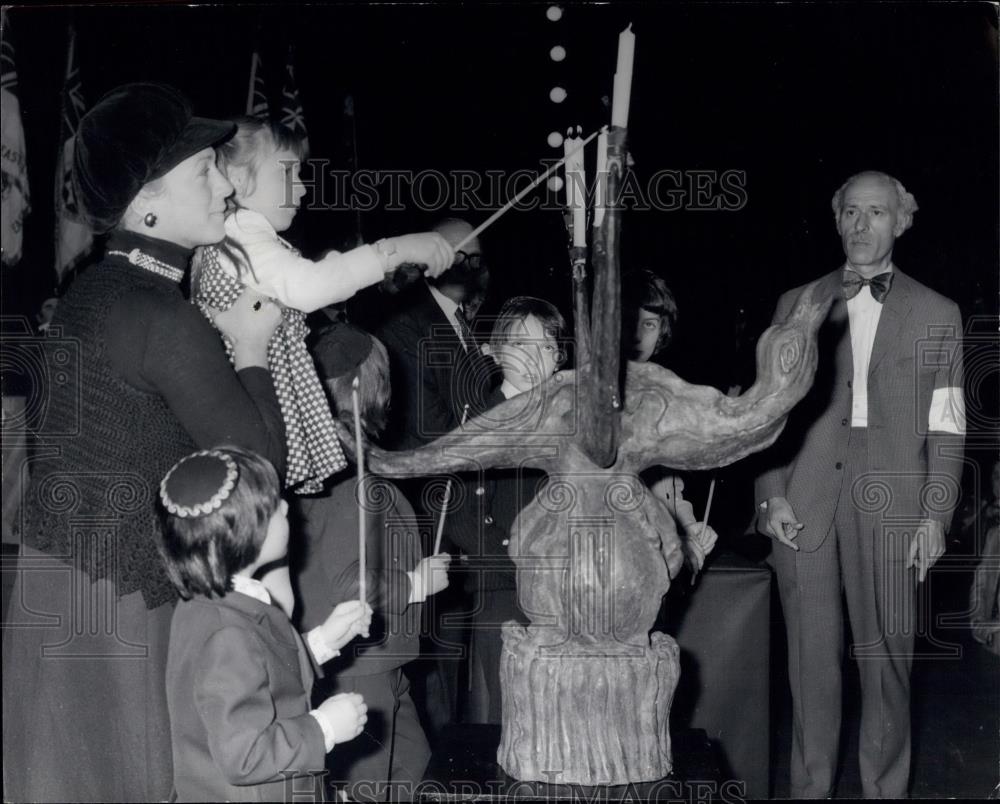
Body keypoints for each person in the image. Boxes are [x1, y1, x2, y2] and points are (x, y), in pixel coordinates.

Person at [2, 83, 286, 802]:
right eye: (206, 171)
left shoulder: (91, 293)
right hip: (121, 608)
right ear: (146, 202)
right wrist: (252, 349)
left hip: (61, 588)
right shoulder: (157, 311)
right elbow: (260, 469)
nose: (227, 183)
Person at [754, 170, 966, 798]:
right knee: (810, 669)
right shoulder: (798, 303)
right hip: (807, 494)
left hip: (898, 502)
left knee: (887, 668)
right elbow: (767, 411)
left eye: (875, 212)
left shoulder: (938, 312)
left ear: (901, 221)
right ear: (837, 219)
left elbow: (948, 426)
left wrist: (936, 515)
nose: (859, 225)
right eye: (850, 212)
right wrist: (770, 494)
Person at [193, 117, 455, 493]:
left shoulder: (240, 235)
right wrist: (396, 249)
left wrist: (332, 267)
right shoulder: (243, 230)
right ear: (236, 177)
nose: (301, 188)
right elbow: (306, 287)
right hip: (249, 411)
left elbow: (293, 281)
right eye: (289, 173)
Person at [158, 447, 372, 802]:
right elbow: (243, 756)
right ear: (240, 535)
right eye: (273, 505)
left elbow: (260, 672)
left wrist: (319, 643)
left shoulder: (209, 604)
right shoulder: (227, 633)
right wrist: (325, 727)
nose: (287, 507)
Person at [292, 322, 450, 800]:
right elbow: (349, 585)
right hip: (361, 666)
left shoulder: (335, 457)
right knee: (370, 788)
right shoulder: (349, 472)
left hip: (382, 662)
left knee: (416, 775)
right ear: (365, 386)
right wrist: (416, 585)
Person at [376, 216, 497, 733]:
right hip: (433, 517)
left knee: (468, 666)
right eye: (458, 255)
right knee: (436, 666)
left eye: (476, 256)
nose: (468, 265)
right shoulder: (406, 326)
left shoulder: (462, 323)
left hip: (470, 511)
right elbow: (423, 437)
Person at [446, 296, 564, 723]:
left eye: (549, 346)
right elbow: (462, 518)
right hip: (504, 589)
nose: (538, 357)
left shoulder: (569, 418)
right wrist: (523, 567)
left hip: (567, 591)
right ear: (494, 352)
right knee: (515, 716)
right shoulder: (479, 420)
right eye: (523, 345)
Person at [624, 270, 717, 573]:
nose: (638, 335)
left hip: (660, 556)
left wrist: (691, 529)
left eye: (649, 325)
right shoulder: (592, 392)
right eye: (629, 322)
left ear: (662, 330)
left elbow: (668, 487)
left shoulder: (664, 394)